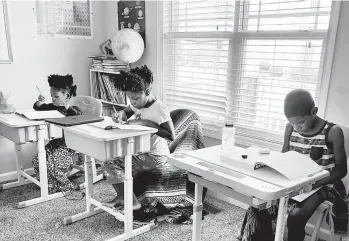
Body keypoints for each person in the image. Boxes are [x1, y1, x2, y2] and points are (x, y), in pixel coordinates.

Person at [239, 89, 348, 241]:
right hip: (293, 181)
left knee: (295, 217)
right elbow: (285, 158)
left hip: (322, 185)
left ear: (314, 111)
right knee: (259, 206)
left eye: (301, 122)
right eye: (292, 123)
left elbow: (341, 171)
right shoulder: (290, 128)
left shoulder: (332, 132)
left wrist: (314, 183)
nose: (297, 127)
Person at [102, 65, 175, 210]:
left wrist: (147, 123)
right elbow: (128, 111)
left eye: (135, 98)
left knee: (111, 163)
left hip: (156, 156)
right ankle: (122, 196)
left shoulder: (158, 109)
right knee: (108, 157)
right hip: (141, 150)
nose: (133, 102)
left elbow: (170, 135)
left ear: (147, 91)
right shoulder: (138, 103)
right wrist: (120, 115)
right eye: (130, 99)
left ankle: (131, 201)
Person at [32, 74, 83, 194]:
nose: (53, 99)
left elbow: (80, 117)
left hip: (69, 145)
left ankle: (67, 185)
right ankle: (49, 183)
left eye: (56, 96)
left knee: (50, 163)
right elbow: (39, 108)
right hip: (55, 143)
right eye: (51, 96)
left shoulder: (73, 110)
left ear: (67, 95)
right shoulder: (52, 107)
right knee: (37, 160)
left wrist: (68, 107)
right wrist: (39, 102)